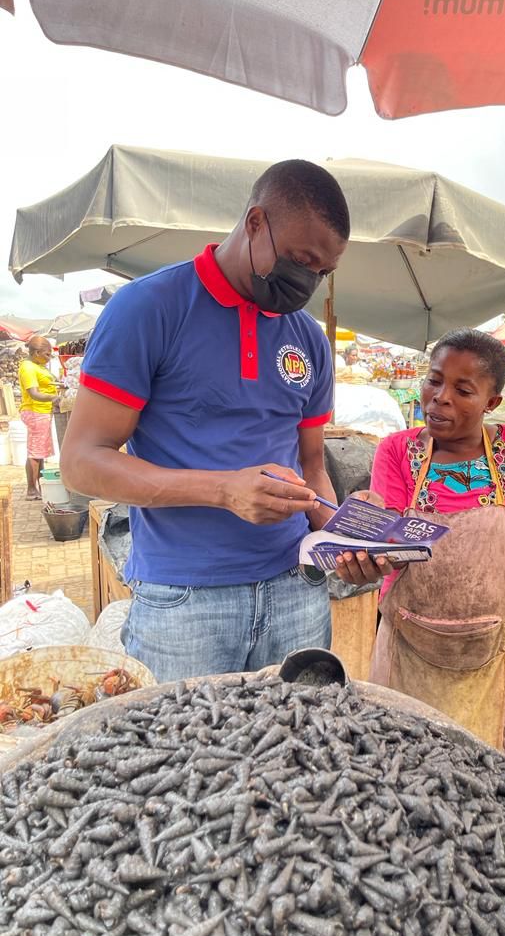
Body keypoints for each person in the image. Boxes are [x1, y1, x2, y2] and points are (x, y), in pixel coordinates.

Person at [62, 159, 387, 682]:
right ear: (256, 222)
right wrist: (223, 490)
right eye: (301, 261)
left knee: (299, 753)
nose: (307, 282)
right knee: (180, 761)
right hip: (185, 601)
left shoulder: (306, 338)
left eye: (323, 272)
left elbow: (311, 466)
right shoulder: (149, 309)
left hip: (295, 589)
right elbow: (81, 463)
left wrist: (348, 534)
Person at [338, 329, 505, 767]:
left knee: (498, 780)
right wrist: (365, 548)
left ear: (492, 402)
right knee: (403, 767)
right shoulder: (397, 452)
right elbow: (391, 541)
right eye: (434, 380)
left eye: (463, 389)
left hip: (504, 652)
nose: (440, 398)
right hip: (409, 647)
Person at [19, 336, 59, 500]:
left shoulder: (37, 365)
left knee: (40, 451)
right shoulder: (27, 367)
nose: (48, 358)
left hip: (42, 412)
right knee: (35, 452)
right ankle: (31, 489)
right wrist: (52, 398)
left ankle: (40, 485)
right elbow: (33, 393)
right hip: (35, 412)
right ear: (36, 353)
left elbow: (47, 384)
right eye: (46, 354)